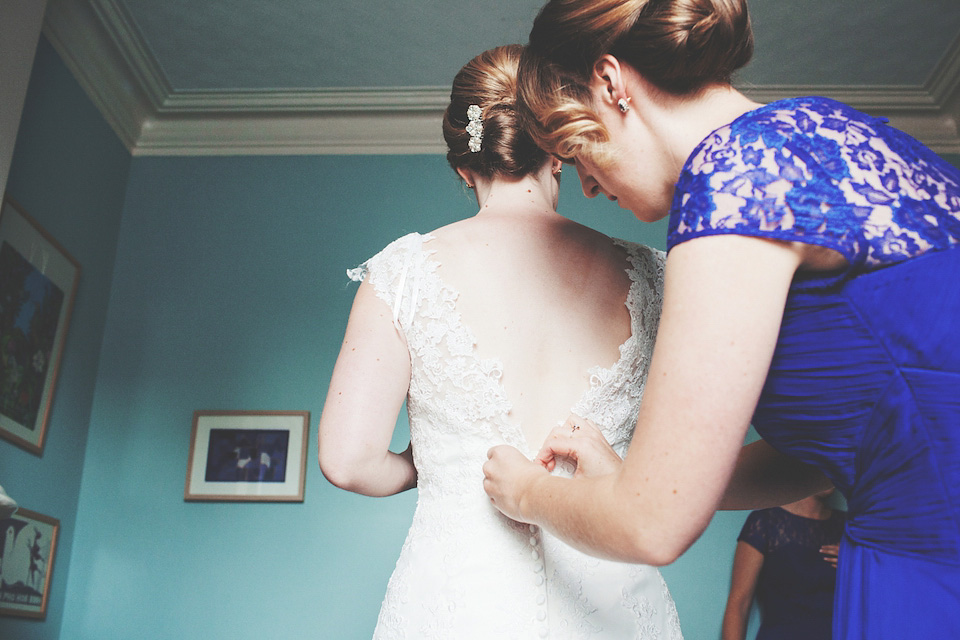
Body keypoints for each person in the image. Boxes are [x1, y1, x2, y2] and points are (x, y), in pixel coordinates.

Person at [480, 1, 960, 638]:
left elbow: (651, 526)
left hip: (929, 568)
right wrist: (637, 477)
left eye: (574, 144)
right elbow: (836, 451)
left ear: (610, 83)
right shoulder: (836, 135)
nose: (588, 185)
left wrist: (526, 496)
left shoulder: (734, 179)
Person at [317, 45, 683, 639]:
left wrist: (423, 466)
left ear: (464, 167)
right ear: (559, 152)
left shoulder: (404, 272)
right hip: (611, 597)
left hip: (457, 599)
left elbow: (347, 460)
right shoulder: (653, 274)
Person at [721, 490, 844, 640]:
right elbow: (739, 603)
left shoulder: (851, 527)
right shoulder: (766, 522)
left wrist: (857, 562)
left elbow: (872, 600)